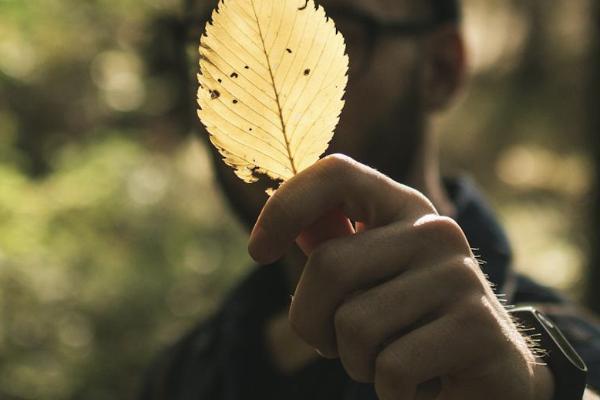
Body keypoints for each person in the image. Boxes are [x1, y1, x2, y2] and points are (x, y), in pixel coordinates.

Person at [139, 0, 600, 398]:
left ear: (441, 69)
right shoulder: (180, 378)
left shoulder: (567, 359)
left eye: (325, 18)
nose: (251, 69)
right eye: (214, 31)